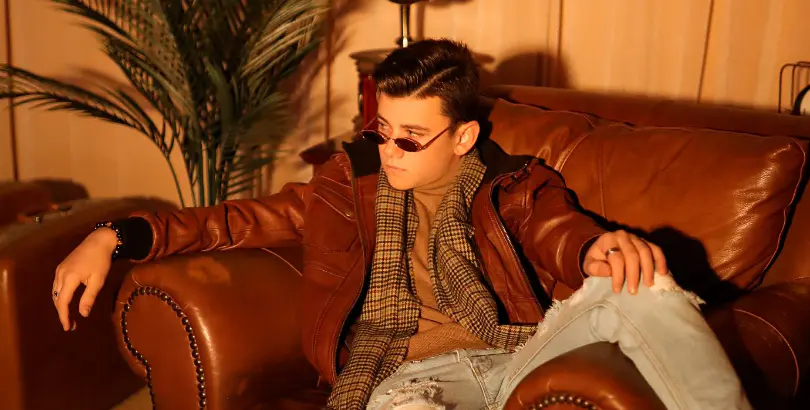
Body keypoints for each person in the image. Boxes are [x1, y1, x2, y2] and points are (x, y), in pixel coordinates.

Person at [52, 39, 750, 410]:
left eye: (411, 139)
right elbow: (234, 222)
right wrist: (112, 236)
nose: (388, 152)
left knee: (646, 284)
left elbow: (557, 232)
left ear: (464, 137)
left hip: (521, 353)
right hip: (409, 377)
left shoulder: (515, 184)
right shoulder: (347, 185)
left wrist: (599, 249)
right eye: (382, 131)